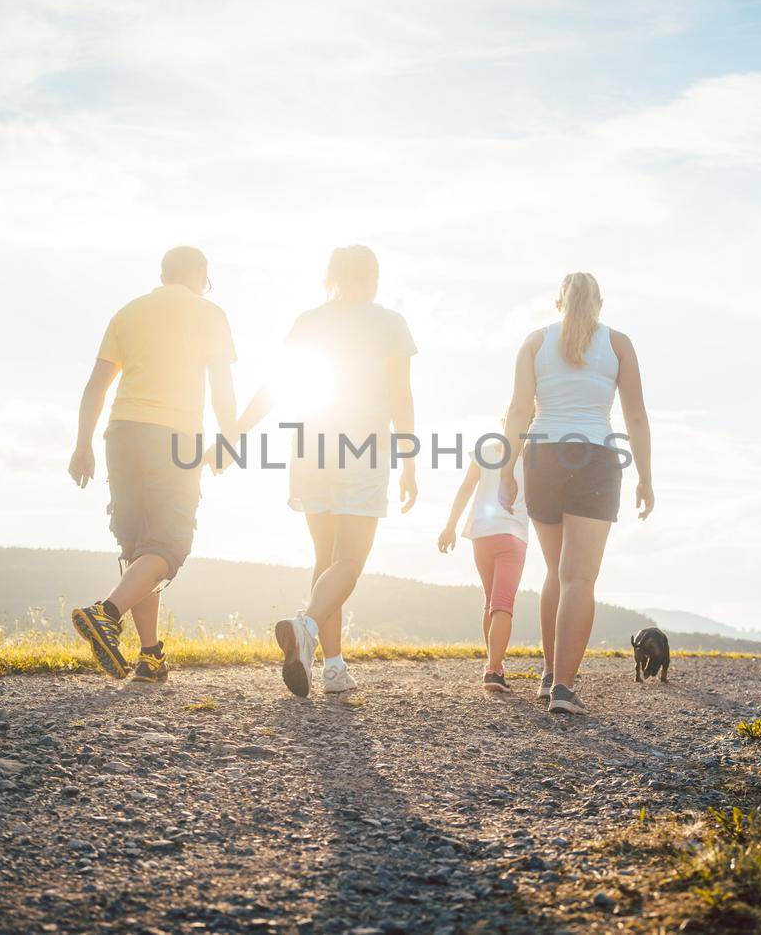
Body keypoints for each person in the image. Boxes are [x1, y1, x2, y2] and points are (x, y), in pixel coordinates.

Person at [231, 245, 418, 696]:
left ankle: (332, 668)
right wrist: (409, 462)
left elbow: (277, 385)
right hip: (363, 449)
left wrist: (235, 432)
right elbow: (401, 397)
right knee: (349, 562)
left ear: (331, 276)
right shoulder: (390, 323)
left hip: (311, 446)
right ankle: (306, 627)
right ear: (373, 277)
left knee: (325, 560)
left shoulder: (309, 320)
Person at [66, 246, 237, 682]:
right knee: (168, 546)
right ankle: (106, 614)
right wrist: (229, 440)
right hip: (175, 435)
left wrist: (82, 444)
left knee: (139, 546)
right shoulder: (209, 312)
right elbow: (221, 388)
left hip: (121, 432)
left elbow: (96, 385)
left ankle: (151, 656)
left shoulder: (128, 312)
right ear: (200, 274)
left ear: (163, 274)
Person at [499, 272, 653, 714]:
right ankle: (564, 688)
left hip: (542, 456)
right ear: (599, 304)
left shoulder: (534, 342)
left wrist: (506, 470)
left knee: (556, 572)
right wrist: (645, 476)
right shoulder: (618, 344)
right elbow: (636, 418)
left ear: (558, 304)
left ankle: (550, 677)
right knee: (578, 578)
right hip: (595, 458)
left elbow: (517, 412)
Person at [437, 430, 529, 692]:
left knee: (490, 602)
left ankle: (495, 666)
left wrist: (450, 526)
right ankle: (493, 671)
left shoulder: (485, 451)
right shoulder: (534, 454)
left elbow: (466, 488)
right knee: (502, 605)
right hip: (512, 534)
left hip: (481, 534)